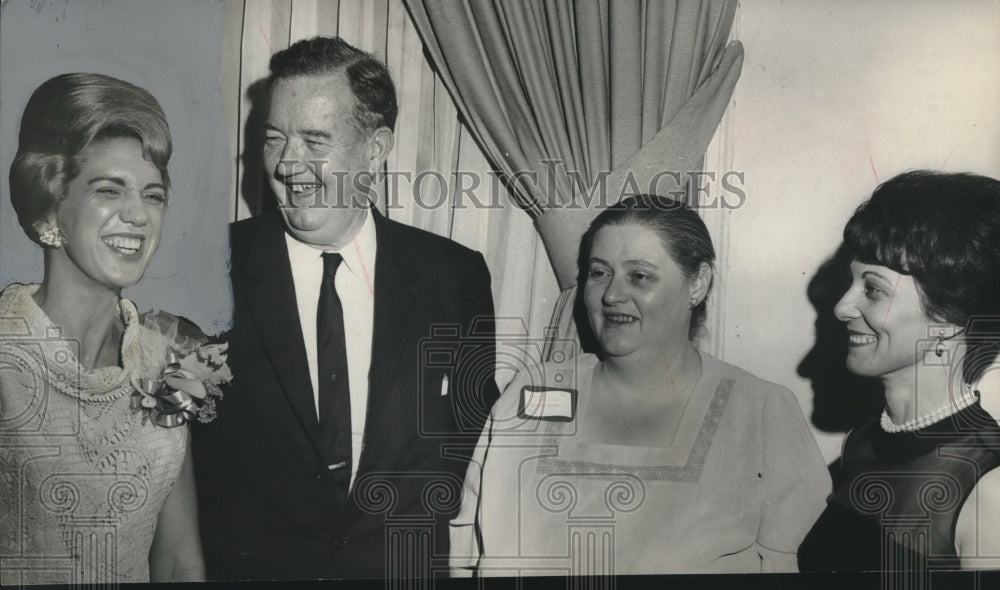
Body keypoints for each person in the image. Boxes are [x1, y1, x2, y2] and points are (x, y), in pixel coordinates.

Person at [193, 36, 500, 580]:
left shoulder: (453, 277)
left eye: (315, 141)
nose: (288, 164)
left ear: (376, 149)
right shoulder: (205, 267)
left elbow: (468, 437)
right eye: (273, 139)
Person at [451, 194, 831, 576]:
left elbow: (804, 566)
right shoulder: (528, 392)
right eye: (600, 273)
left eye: (640, 276)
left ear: (697, 283)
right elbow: (464, 552)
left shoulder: (761, 411)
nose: (612, 295)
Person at [0, 73, 225, 584]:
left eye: (153, 196)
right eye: (109, 190)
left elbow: (180, 562)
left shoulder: (169, 362)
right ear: (50, 205)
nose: (137, 215)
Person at [798, 170, 1000, 572]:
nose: (842, 307)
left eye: (872, 289)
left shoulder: (988, 488)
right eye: (850, 282)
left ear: (948, 318)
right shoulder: (865, 438)